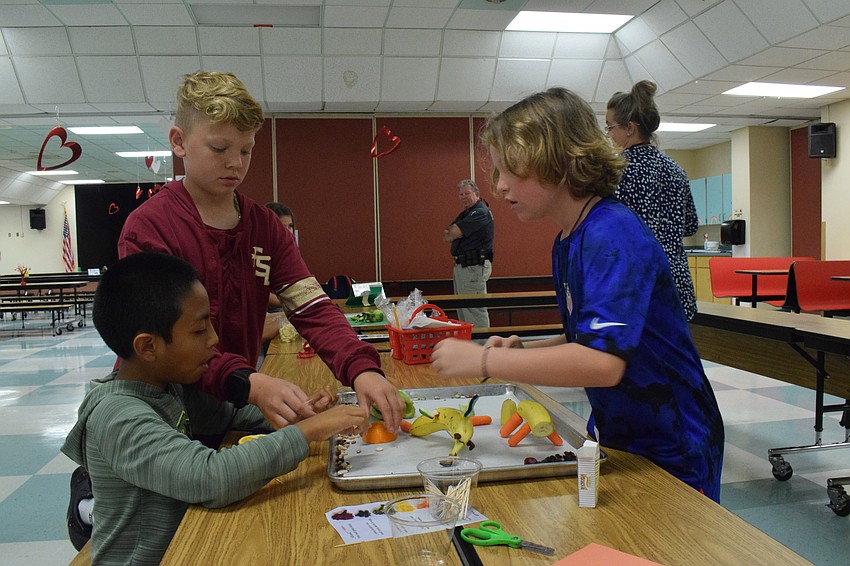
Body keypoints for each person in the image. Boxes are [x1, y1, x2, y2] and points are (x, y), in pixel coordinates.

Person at [430, 87, 724, 502]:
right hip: (621, 433)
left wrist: (486, 359)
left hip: (674, 442)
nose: (498, 186)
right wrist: (524, 349)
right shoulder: (570, 239)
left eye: (507, 171)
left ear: (554, 163)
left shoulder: (611, 233)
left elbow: (602, 364)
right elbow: (590, 339)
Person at [116, 71, 403, 432]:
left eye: (246, 150)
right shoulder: (150, 227)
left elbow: (312, 306)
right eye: (219, 148)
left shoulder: (264, 226)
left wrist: (362, 369)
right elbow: (161, 341)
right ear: (179, 141)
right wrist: (249, 383)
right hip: (159, 411)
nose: (235, 162)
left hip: (229, 400)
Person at [62, 252, 368, 562]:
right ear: (148, 347)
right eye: (199, 331)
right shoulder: (118, 415)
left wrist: (301, 412)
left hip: (186, 547)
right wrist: (307, 431)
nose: (214, 339)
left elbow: (230, 415)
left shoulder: (170, 384)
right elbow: (210, 478)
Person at [606, 80, 699, 320]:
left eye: (610, 126)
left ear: (629, 127)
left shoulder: (616, 171)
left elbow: (606, 229)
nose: (608, 134)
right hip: (676, 281)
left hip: (636, 281)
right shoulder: (676, 169)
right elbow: (690, 226)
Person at [443, 179, 494, 327]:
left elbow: (453, 232)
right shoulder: (466, 214)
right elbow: (447, 235)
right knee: (464, 311)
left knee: (474, 311)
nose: (463, 197)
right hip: (463, 267)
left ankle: (481, 348)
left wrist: (455, 232)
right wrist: (453, 232)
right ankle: (471, 347)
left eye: (467, 193)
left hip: (473, 267)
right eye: (461, 194)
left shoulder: (480, 212)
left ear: (476, 194)